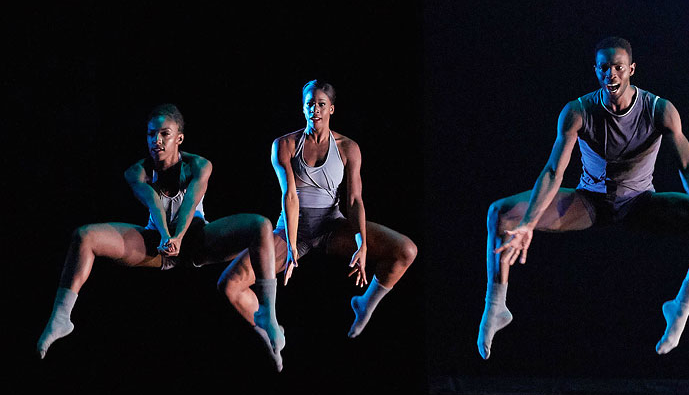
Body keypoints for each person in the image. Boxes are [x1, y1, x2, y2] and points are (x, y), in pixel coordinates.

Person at [478, 36, 689, 359]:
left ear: (631, 69)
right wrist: (529, 223)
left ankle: (680, 308)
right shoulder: (578, 111)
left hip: (640, 204)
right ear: (596, 71)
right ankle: (496, 305)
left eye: (617, 67)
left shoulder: (659, 110)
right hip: (589, 203)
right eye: (604, 68)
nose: (610, 74)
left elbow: (687, 166)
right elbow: (552, 172)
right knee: (500, 215)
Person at [37, 104, 285, 367]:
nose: (157, 141)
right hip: (156, 242)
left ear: (179, 138)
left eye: (164, 134)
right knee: (84, 236)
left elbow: (190, 202)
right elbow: (154, 203)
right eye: (151, 134)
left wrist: (178, 237)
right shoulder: (137, 172)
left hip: (198, 240)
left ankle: (266, 314)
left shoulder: (199, 165)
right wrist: (167, 237)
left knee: (261, 225)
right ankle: (62, 316)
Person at [217, 80, 417, 355]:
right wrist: (289, 248)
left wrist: (362, 243)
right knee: (229, 284)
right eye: (310, 104)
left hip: (331, 227)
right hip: (291, 230)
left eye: (321, 104)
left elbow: (354, 200)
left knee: (406, 250)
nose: (315, 109)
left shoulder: (348, 148)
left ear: (331, 109)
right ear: (303, 108)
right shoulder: (285, 145)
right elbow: (290, 197)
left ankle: (365, 304)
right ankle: (269, 328)